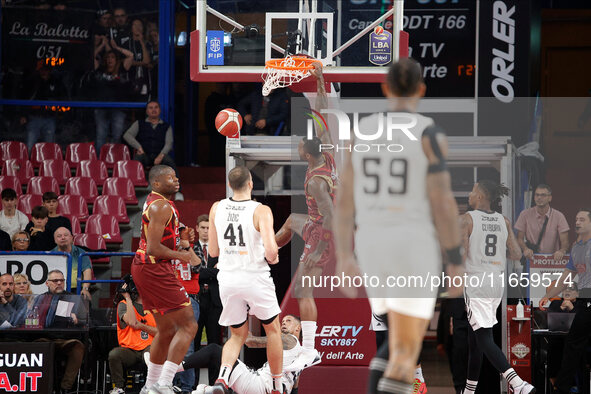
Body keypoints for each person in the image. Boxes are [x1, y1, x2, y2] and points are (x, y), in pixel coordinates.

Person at [333, 58, 464, 394]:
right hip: (411, 241)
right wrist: (453, 258)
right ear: (422, 89)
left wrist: (345, 255)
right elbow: (443, 202)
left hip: (372, 244)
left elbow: (344, 201)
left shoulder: (359, 132)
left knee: (395, 345)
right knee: (406, 351)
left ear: (384, 88)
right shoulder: (429, 132)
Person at [274, 63, 333, 357]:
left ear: (306, 153)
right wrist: (320, 81)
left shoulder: (316, 184)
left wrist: (318, 249)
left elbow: (331, 218)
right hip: (313, 222)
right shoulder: (326, 151)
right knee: (290, 220)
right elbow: (322, 112)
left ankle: (309, 349)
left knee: (303, 291)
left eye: (299, 145)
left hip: (323, 233)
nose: (297, 146)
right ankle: (266, 254)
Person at [207, 166, 283, 394]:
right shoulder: (261, 210)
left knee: (237, 335)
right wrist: (275, 256)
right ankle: (276, 386)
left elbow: (212, 251)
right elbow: (270, 252)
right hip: (255, 278)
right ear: (251, 184)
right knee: (273, 331)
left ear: (230, 185)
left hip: (228, 280)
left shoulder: (216, 208)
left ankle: (222, 378)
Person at [131, 165, 199, 394]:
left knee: (167, 329)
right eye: (170, 177)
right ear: (157, 183)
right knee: (189, 325)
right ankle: (164, 383)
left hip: (145, 268)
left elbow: (156, 240)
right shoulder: (161, 206)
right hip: (154, 269)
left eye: (176, 175)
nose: (176, 179)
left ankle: (150, 386)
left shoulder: (157, 202)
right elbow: (153, 248)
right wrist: (181, 255)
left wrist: (178, 239)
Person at [460, 180, 533, 394]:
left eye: (473, 191)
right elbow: (517, 254)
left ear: (481, 196)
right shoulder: (504, 220)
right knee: (477, 340)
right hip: (495, 282)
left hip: (476, 281)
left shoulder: (468, 219)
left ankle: (518, 384)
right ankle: (469, 391)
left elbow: (462, 254)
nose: (470, 195)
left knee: (484, 338)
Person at [174, 314, 320, 394]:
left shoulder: (288, 338)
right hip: (271, 389)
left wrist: (241, 330)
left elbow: (250, 342)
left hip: (259, 386)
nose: (283, 323)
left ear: (298, 328)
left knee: (214, 351)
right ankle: (201, 391)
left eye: (288, 321)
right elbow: (295, 387)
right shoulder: (302, 356)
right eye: (282, 321)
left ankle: (171, 369)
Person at [539, 208, 591, 394]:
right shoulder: (577, 248)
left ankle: (562, 387)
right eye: (576, 218)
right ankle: (563, 387)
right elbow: (565, 279)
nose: (577, 222)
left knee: (575, 343)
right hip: (585, 297)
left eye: (582, 219)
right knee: (573, 343)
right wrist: (548, 295)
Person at [32, 270, 86, 393]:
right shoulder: (40, 298)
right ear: (47, 283)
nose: (59, 283)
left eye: (61, 280)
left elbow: (88, 321)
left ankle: (65, 388)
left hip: (65, 340)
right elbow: (31, 318)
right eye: (55, 281)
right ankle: (41, 385)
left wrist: (78, 321)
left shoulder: (74, 298)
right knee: (35, 346)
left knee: (78, 347)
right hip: (44, 338)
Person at [109, 277, 157, 394]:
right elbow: (131, 322)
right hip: (129, 350)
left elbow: (160, 332)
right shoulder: (123, 304)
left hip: (149, 347)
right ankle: (119, 388)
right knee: (114, 355)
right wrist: (128, 298)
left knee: (153, 353)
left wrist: (142, 326)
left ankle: (152, 387)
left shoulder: (154, 306)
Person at [193, 214, 223, 385]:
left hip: (215, 302)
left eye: (208, 228)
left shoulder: (219, 249)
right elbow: (193, 273)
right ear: (197, 228)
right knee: (193, 344)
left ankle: (214, 384)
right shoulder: (190, 248)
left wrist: (201, 272)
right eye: (203, 227)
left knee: (215, 343)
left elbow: (222, 273)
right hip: (195, 300)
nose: (205, 231)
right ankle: (193, 383)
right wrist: (211, 272)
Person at [172, 223, 201, 394]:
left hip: (188, 300)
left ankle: (186, 387)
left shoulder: (193, 250)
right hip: (169, 300)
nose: (179, 236)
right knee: (169, 342)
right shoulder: (166, 252)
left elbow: (198, 266)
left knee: (187, 346)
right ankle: (171, 383)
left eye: (182, 233)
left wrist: (187, 247)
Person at [515, 184, 569, 261]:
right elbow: (519, 238)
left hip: (552, 261)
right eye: (537, 195)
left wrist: (561, 251)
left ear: (550, 198)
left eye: (543, 195)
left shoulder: (559, 216)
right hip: (531, 259)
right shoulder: (525, 214)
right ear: (534, 197)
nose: (539, 197)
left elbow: (565, 241)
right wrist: (525, 249)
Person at [23, 65, 67, 150]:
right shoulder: (33, 82)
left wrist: (59, 111)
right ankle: (28, 162)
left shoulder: (56, 82)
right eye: (42, 70)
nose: (44, 72)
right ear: (39, 70)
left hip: (49, 117)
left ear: (50, 71)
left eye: (46, 70)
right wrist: (23, 115)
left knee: (49, 147)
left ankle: (47, 163)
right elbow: (25, 98)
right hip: (34, 117)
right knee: (30, 145)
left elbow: (63, 99)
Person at [123, 100, 176, 170]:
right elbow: (127, 135)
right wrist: (138, 147)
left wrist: (161, 155)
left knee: (170, 162)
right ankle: (134, 181)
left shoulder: (166, 126)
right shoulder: (139, 123)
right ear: (147, 111)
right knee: (137, 160)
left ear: (159, 110)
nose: (153, 110)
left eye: (156, 107)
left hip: (160, 154)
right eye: (151, 108)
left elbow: (169, 144)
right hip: (144, 154)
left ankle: (175, 181)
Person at [52, 227, 92, 300]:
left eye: (66, 235)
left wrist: (85, 288)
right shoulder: (50, 254)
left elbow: (87, 271)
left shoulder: (81, 253)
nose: (63, 238)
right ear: (55, 240)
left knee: (84, 302)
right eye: (59, 236)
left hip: (76, 289)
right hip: (56, 290)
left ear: (71, 238)